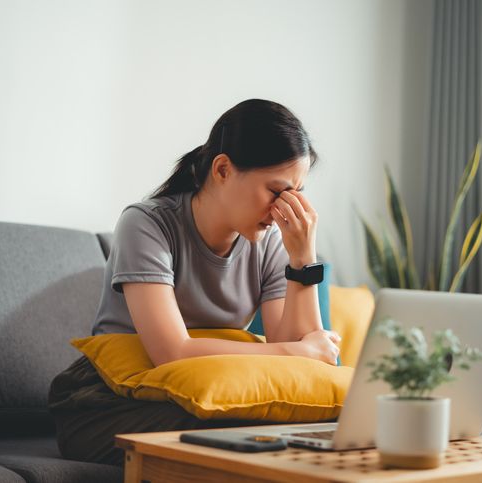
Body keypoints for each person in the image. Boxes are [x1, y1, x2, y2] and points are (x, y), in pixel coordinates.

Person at [48, 99, 342, 466]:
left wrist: (302, 260)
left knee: (307, 425)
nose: (284, 209)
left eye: (296, 194)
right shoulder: (147, 225)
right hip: (107, 404)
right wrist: (299, 352)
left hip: (212, 398)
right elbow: (171, 352)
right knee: (240, 432)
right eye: (276, 191)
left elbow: (304, 360)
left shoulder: (269, 241)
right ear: (222, 169)